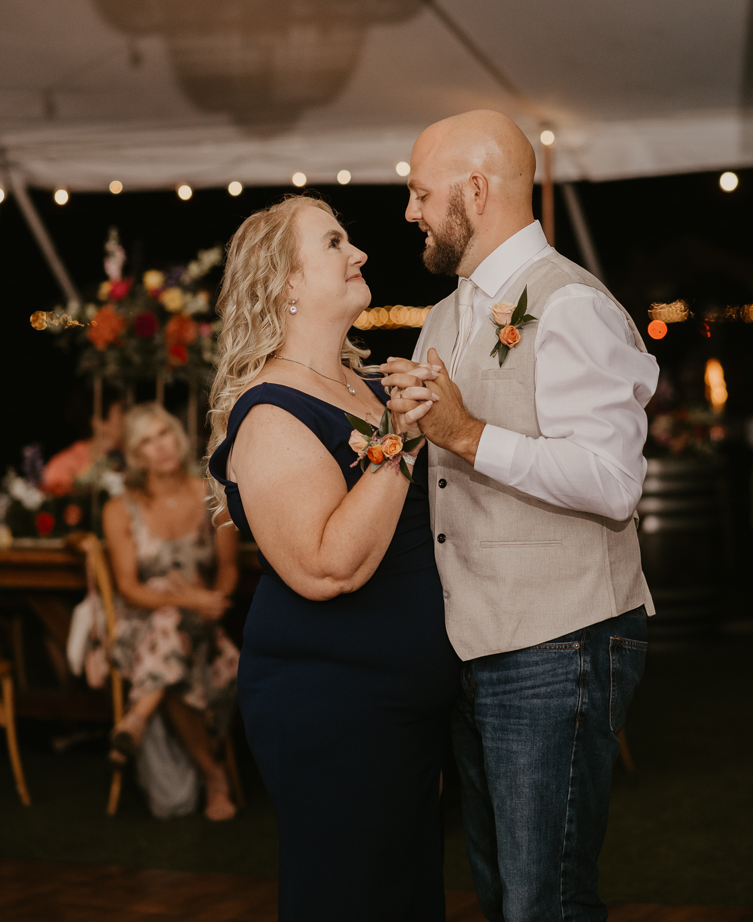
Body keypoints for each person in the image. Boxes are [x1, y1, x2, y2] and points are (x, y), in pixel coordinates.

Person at [382, 109, 659, 922]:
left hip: (559, 638)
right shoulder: (443, 315)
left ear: (477, 187)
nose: (409, 212)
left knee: (547, 898)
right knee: (504, 890)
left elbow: (613, 481)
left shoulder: (572, 305)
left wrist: (466, 434)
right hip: (474, 639)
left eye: (420, 192)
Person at [206, 195, 460, 921]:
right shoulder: (271, 411)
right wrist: (402, 443)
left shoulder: (377, 385)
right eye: (334, 243)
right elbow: (327, 568)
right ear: (285, 283)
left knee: (406, 898)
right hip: (331, 703)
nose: (360, 253)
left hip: (404, 704)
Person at [103, 402, 240, 822]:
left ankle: (137, 716)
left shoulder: (212, 494)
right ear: (135, 453)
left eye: (163, 433)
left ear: (177, 437)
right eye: (146, 440)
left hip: (201, 624)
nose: (159, 446)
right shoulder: (118, 509)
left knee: (180, 633)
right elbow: (128, 588)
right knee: (169, 623)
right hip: (140, 629)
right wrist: (186, 600)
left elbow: (229, 571)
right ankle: (214, 774)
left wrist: (211, 603)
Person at [41, 394, 125, 497]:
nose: (129, 417)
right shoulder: (62, 465)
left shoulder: (134, 458)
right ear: (99, 423)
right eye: (121, 412)